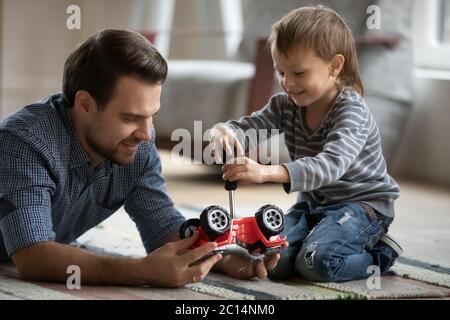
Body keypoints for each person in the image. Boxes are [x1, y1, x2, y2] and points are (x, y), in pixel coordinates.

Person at [0, 29, 280, 287]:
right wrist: (139, 271)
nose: (147, 134)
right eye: (130, 117)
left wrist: (222, 257)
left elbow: (162, 226)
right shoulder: (25, 143)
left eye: (151, 115)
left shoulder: (134, 146)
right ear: (85, 104)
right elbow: (32, 255)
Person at [209, 6, 403, 282]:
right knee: (273, 259)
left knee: (317, 264)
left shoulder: (351, 112)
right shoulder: (285, 105)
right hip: (313, 204)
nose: (288, 83)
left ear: (335, 66)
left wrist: (265, 172)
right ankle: (316, 238)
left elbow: (330, 166)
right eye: (281, 72)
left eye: (298, 73)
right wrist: (225, 131)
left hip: (362, 206)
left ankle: (380, 254)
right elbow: (249, 128)